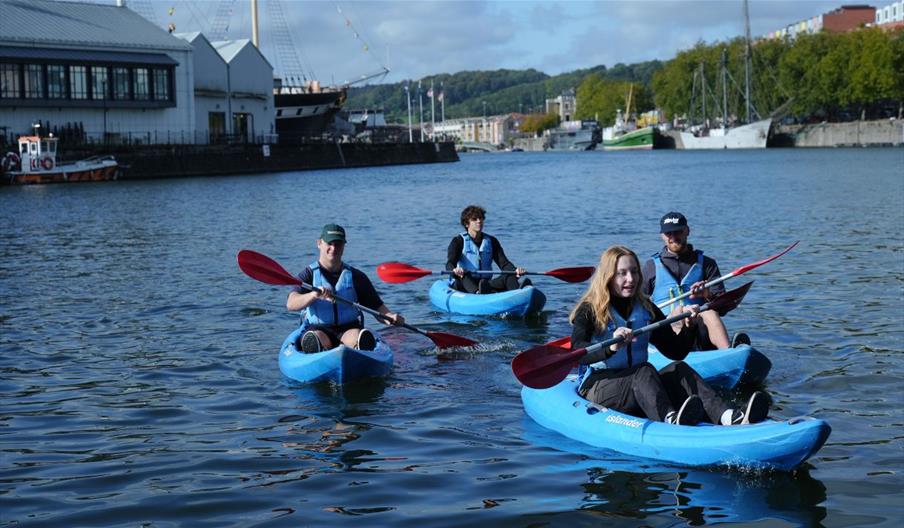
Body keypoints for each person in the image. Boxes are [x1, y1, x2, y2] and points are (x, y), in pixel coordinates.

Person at [570, 245, 768, 426]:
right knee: (644, 371)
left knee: (679, 369)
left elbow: (675, 351)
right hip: (599, 387)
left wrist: (689, 328)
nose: (630, 279)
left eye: (634, 272)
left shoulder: (646, 309)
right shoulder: (590, 309)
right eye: (622, 273)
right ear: (608, 276)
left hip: (636, 384)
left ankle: (729, 417)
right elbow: (577, 350)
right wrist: (610, 347)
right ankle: (670, 420)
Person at [286, 223, 405, 352]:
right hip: (318, 328)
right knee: (316, 337)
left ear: (343, 246)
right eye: (329, 243)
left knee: (356, 336)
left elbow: (377, 307)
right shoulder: (307, 275)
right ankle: (318, 349)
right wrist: (313, 295)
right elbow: (291, 304)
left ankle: (358, 349)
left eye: (338, 244)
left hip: (348, 329)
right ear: (319, 243)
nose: (333, 248)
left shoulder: (357, 276)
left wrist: (391, 317)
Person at [642, 212, 748, 350]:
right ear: (662, 235)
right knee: (679, 313)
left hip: (700, 323)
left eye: (678, 231)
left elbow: (722, 309)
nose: (673, 237)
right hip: (668, 329)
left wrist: (706, 294)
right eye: (669, 233)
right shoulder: (650, 267)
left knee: (709, 313)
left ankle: (727, 352)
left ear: (687, 231)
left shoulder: (707, 264)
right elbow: (637, 305)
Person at [445, 205, 530, 294]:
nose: (479, 221)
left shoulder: (492, 241)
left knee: (509, 274)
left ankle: (518, 293)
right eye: (474, 219)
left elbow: (504, 264)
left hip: (485, 284)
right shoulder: (458, 241)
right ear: (466, 224)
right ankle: (478, 293)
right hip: (465, 283)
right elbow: (450, 263)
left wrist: (515, 270)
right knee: (464, 275)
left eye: (481, 218)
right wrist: (455, 270)